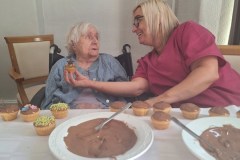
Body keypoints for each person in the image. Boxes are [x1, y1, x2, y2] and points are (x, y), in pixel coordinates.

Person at [65, 0, 240, 108]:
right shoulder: (147, 61)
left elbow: (208, 72)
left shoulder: (187, 31)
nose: (133, 29)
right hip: (183, 120)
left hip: (229, 109)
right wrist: (90, 83)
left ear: (156, 16)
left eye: (137, 21)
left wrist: (157, 101)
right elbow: (135, 88)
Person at [41, 22, 128, 109]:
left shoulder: (110, 62)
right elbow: (47, 105)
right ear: (74, 44)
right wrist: (72, 108)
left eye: (96, 37)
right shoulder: (60, 66)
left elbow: (126, 94)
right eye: (89, 37)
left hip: (106, 114)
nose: (95, 41)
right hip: (70, 116)